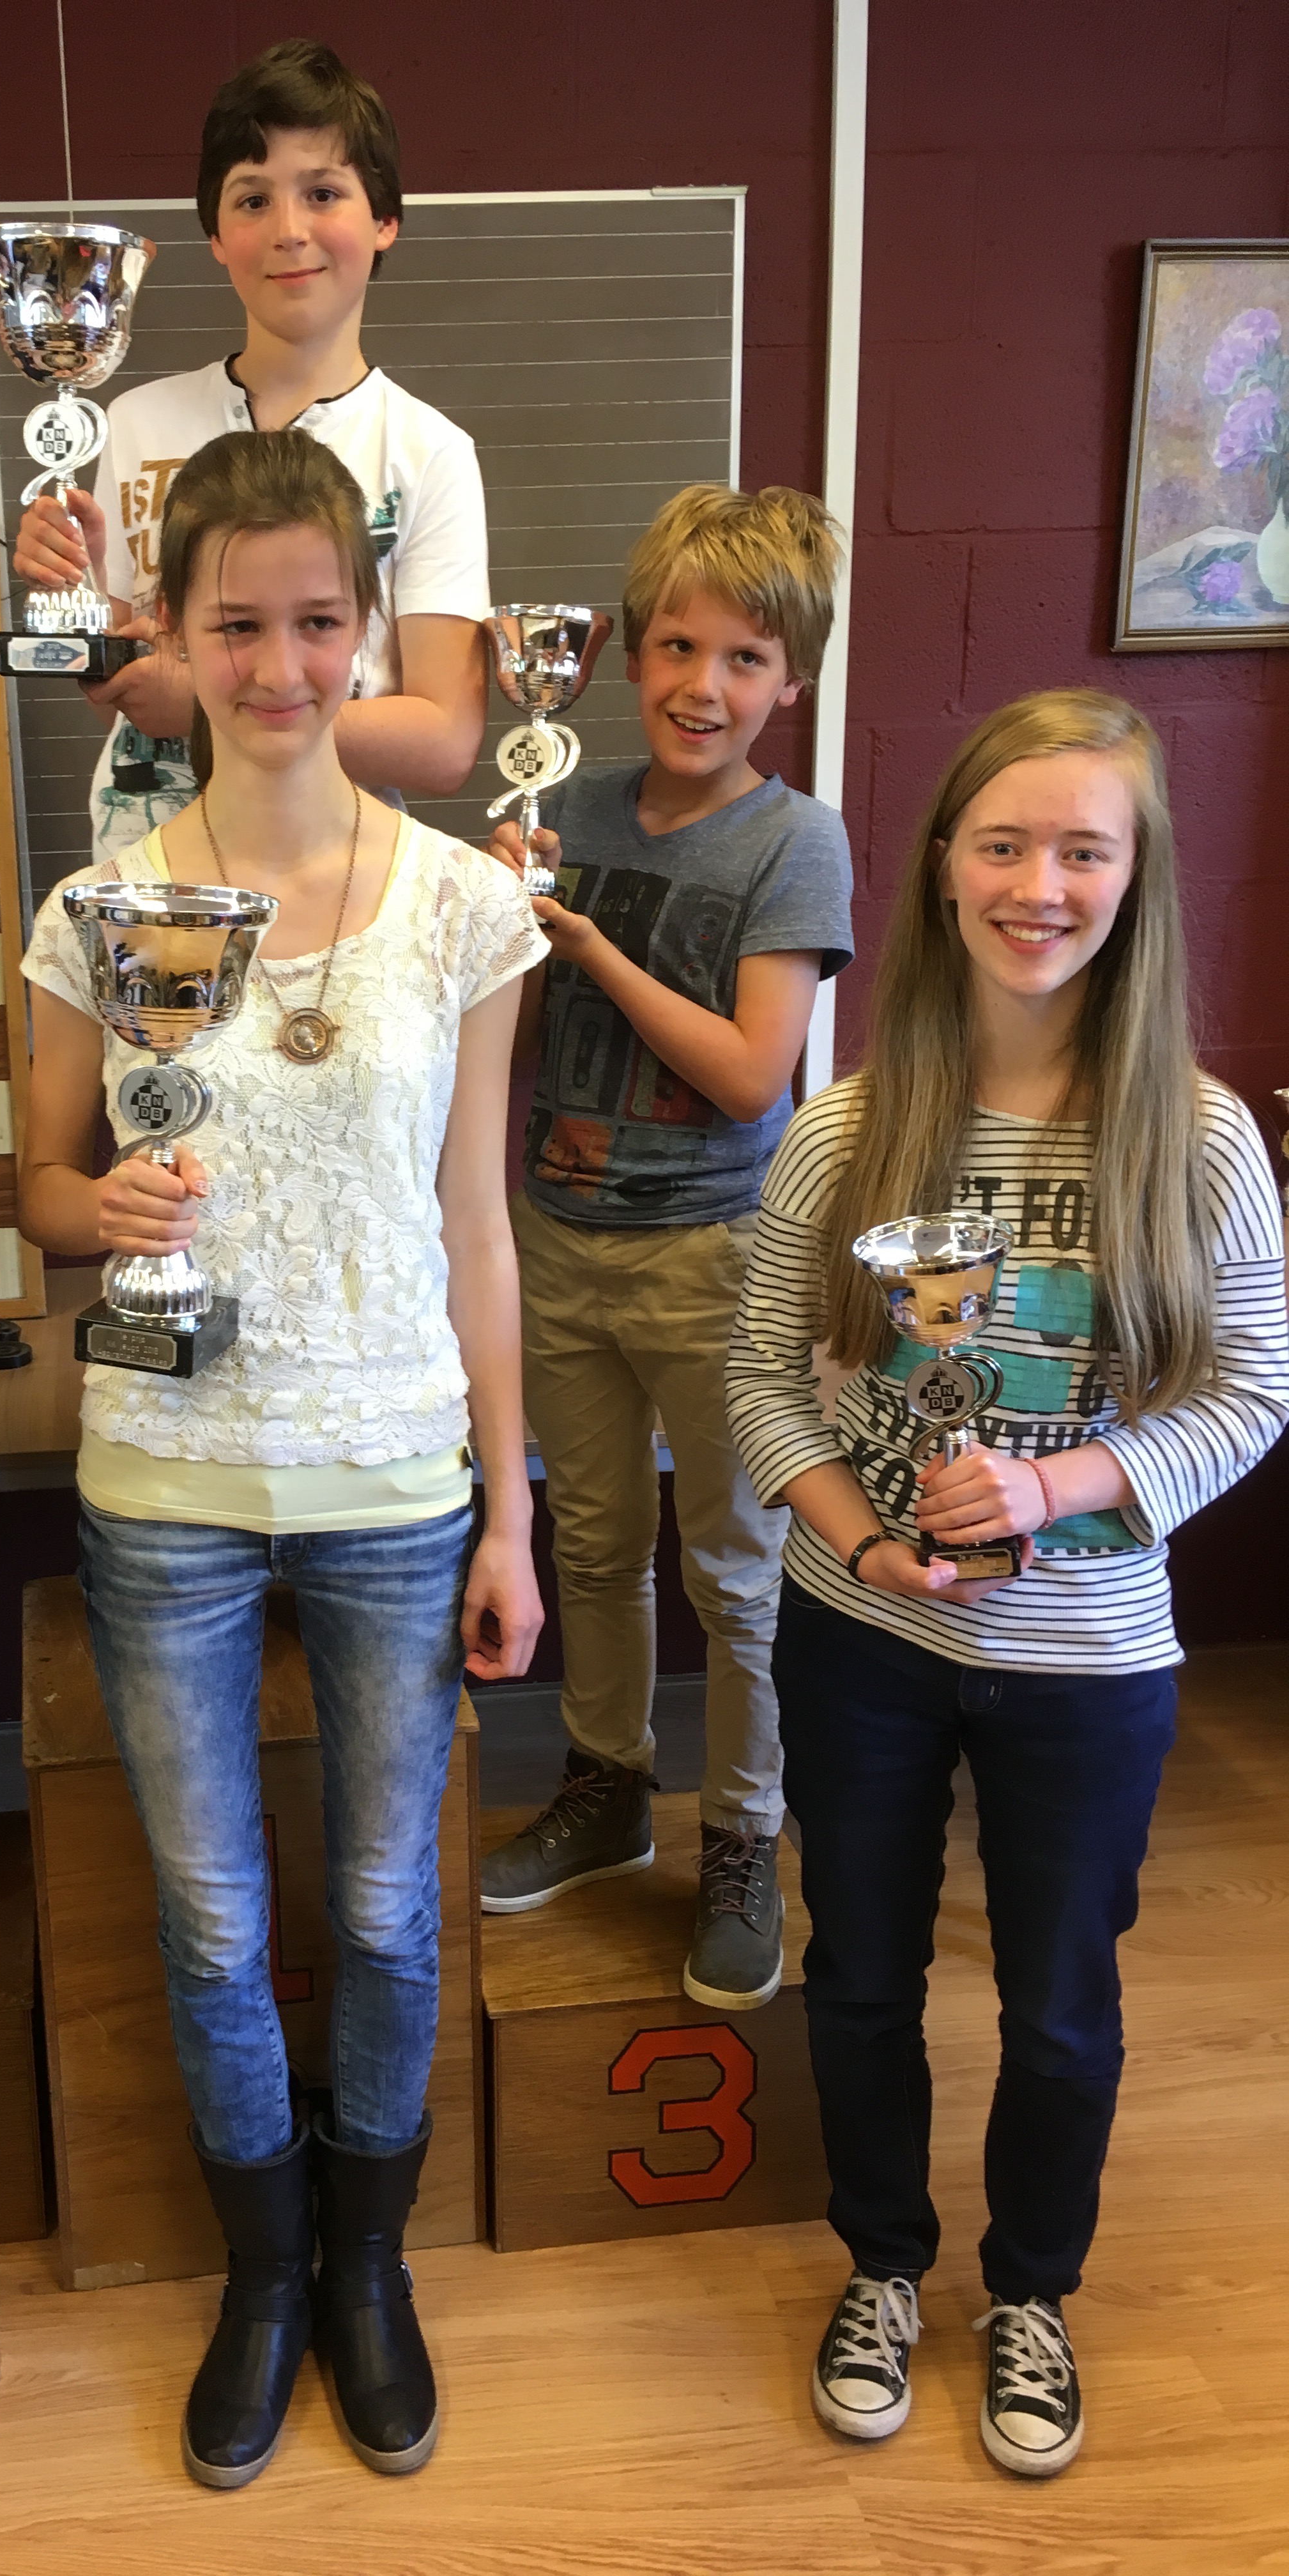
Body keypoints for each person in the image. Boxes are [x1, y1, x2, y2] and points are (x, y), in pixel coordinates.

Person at [19, 428, 544, 2488]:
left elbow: (479, 1227)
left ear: (368, 629)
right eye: (234, 624)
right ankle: (262, 2270)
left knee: (394, 1913)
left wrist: (512, 1514)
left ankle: (370, 2265)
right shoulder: (101, 907)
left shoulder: (465, 905)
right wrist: (101, 1208)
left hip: (399, 1477)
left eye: (319, 622)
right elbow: (40, 1192)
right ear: (171, 632)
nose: (279, 665)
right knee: (216, 1918)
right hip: (166, 1476)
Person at [725, 689, 1288, 2476]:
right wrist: (862, 1534)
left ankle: (1031, 2291)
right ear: (942, 867)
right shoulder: (845, 1131)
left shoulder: (1199, 1140)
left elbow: (1253, 1392)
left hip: (1089, 1661)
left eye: (1083, 851)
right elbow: (760, 1382)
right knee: (860, 1976)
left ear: (1137, 880)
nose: (1040, 885)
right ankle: (884, 2265)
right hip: (865, 1635)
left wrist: (1055, 1484)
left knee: (1057, 2003)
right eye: (1004, 844)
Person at [478, 485, 853, 2015]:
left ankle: (744, 1838)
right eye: (679, 648)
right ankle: (609, 1787)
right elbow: (504, 1035)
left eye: (746, 658)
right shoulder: (569, 809)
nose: (705, 686)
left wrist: (592, 946)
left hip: (714, 1257)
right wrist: (497, 910)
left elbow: (756, 1074)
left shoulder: (796, 841)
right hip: (557, 1238)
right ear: (627, 655)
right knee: (592, 1544)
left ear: (792, 679)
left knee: (737, 1572)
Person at [13, 36, 488, 864]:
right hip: (154, 859)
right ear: (216, 235)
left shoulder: (428, 452)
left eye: (324, 193)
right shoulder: (136, 421)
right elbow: (120, 687)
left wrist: (204, 706)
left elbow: (444, 742)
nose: (289, 230)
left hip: (336, 868)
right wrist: (75, 600)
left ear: (384, 221)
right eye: (253, 199)